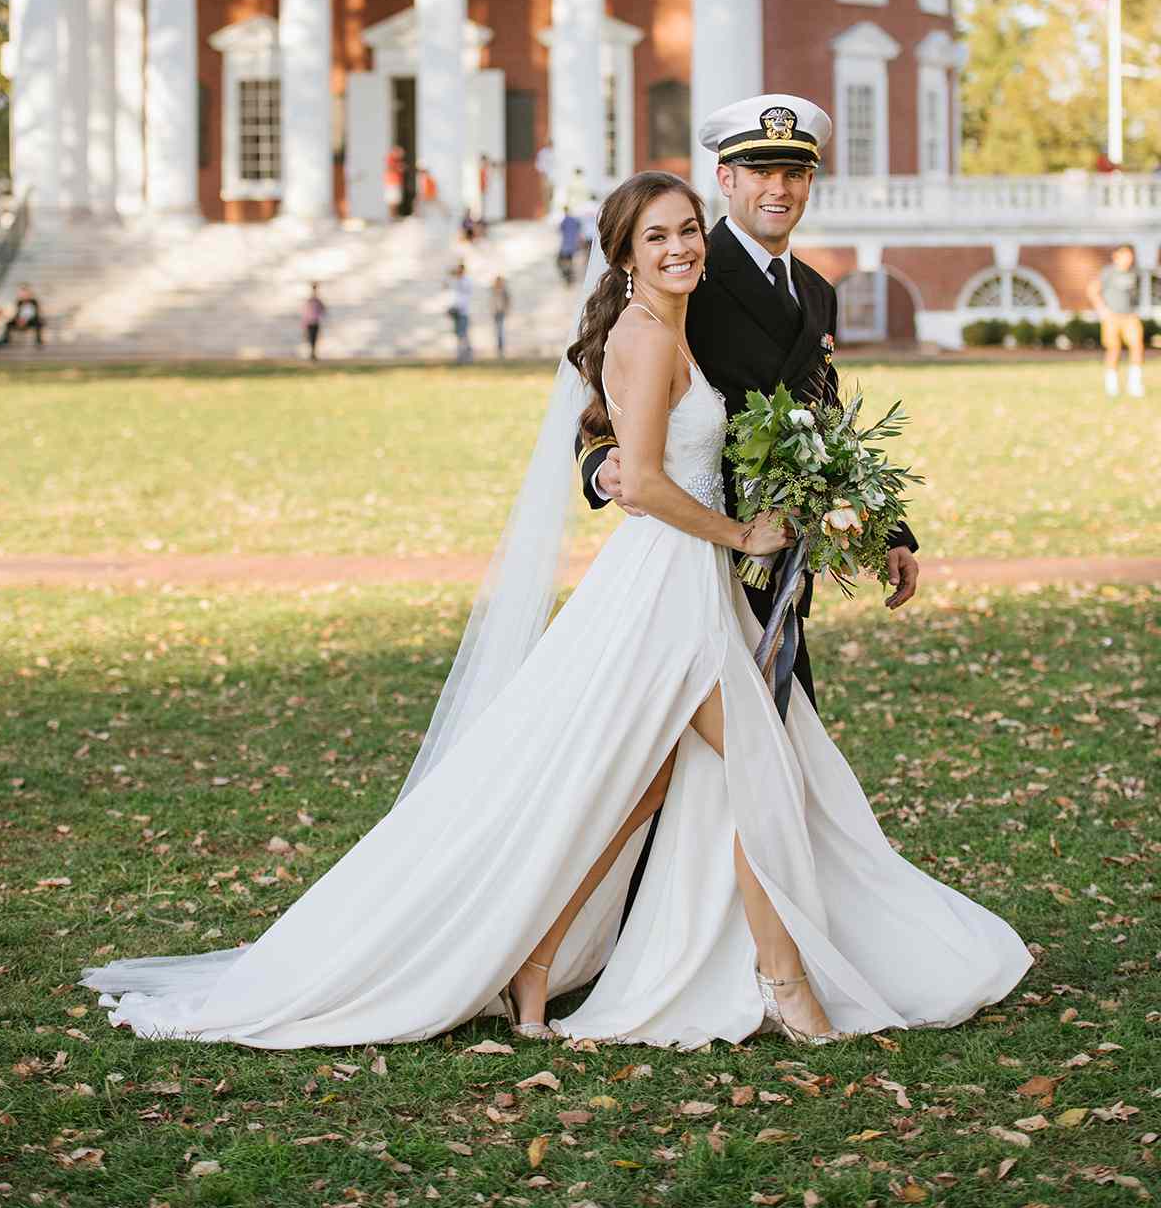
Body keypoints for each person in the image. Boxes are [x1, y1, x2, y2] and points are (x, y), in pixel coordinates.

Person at [83, 170, 1031, 1051]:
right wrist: (737, 534)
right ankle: (786, 983)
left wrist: (845, 513)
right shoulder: (647, 333)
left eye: (688, 231)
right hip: (671, 584)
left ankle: (537, 959)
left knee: (648, 786)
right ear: (622, 254)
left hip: (693, 583)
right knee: (759, 771)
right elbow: (644, 479)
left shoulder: (707, 318)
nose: (681, 248)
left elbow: (804, 415)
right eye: (658, 236)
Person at [581, 95, 919, 723]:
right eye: (761, 171)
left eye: (794, 173)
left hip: (784, 551)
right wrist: (604, 466)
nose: (778, 189)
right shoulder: (684, 272)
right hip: (707, 546)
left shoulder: (816, 291)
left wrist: (887, 532)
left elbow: (825, 418)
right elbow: (607, 393)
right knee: (741, 748)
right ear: (726, 178)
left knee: (768, 737)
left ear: (810, 182)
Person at [1088, 244, 1145, 398]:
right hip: (1112, 317)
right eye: (1125, 256)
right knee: (1114, 349)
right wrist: (1102, 310)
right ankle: (1111, 386)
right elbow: (1093, 290)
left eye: (1130, 256)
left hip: (1130, 316)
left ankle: (1135, 384)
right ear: (1116, 256)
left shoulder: (1134, 273)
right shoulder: (1108, 273)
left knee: (1137, 346)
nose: (1128, 259)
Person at [447, 262, 474, 364]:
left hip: (463, 312)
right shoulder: (456, 282)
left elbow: (464, 297)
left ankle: (467, 356)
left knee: (463, 335)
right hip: (456, 312)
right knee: (459, 335)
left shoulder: (466, 281)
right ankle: (460, 356)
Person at [556, 206, 581, 285]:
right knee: (569, 261)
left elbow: (560, 229)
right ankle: (570, 277)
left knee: (561, 262)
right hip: (573, 244)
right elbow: (579, 227)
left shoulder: (565, 220)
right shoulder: (574, 220)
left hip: (566, 246)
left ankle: (568, 277)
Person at [302, 284, 326, 362]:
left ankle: (313, 354)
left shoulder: (316, 300)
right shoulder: (312, 300)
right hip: (311, 322)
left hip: (315, 322)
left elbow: (323, 309)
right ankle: (312, 354)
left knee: (314, 339)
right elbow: (306, 313)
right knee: (312, 339)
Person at [383, 145, 406, 223]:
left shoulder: (396, 160)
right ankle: (392, 217)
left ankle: (394, 216)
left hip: (395, 182)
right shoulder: (390, 159)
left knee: (395, 200)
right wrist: (399, 167)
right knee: (392, 200)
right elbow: (391, 168)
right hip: (392, 182)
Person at [490, 275, 510, 358]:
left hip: (501, 313)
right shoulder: (494, 291)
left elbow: (508, 302)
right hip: (495, 313)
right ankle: (499, 350)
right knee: (497, 332)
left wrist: (506, 310)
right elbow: (492, 302)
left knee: (500, 332)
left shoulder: (504, 291)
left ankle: (501, 351)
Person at [535, 136, 555, 215]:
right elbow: (539, 165)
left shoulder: (554, 153)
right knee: (546, 194)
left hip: (553, 176)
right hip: (546, 176)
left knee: (551, 193)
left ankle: (550, 209)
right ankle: (547, 211)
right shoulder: (543, 153)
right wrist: (543, 175)